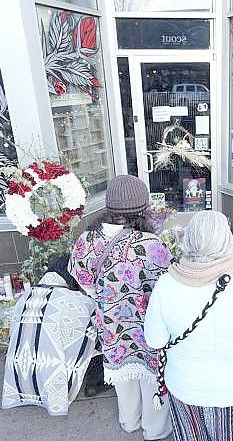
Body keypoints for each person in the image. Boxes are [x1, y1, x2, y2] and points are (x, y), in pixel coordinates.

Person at [144, 210, 233, 441]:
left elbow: (154, 340)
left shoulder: (166, 285)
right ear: (227, 241)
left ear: (188, 240)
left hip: (185, 388)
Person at [68, 175, 173, 440]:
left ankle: (129, 422)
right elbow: (165, 288)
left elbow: (82, 280)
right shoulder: (150, 245)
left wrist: (105, 298)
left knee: (123, 376)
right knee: (152, 376)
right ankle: (155, 429)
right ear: (143, 207)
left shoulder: (86, 240)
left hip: (111, 325)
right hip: (147, 326)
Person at [2, 253, 98, 416]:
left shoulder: (25, 296)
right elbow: (97, 327)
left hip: (18, 375)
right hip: (52, 373)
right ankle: (94, 383)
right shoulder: (77, 299)